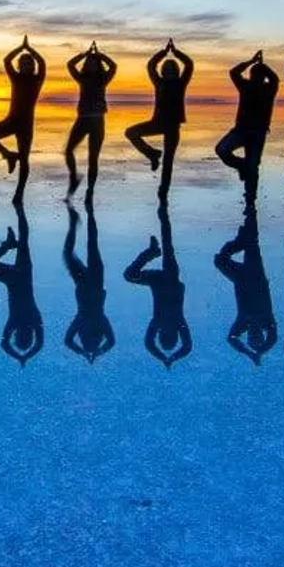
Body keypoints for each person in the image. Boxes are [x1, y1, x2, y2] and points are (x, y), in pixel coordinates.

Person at [123, 204, 192, 369]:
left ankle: (163, 221)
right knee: (129, 275)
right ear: (161, 335)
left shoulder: (178, 324)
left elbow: (187, 347)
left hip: (166, 280)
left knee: (169, 248)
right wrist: (164, 358)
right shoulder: (160, 323)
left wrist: (171, 357)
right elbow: (149, 344)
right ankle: (152, 249)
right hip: (159, 281)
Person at [125, 39, 194, 201]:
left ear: (176, 71)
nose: (169, 72)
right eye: (166, 69)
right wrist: (163, 53)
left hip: (173, 127)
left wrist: (175, 53)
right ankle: (152, 154)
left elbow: (189, 64)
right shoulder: (159, 83)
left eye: (172, 69)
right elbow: (151, 65)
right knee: (131, 132)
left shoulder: (181, 83)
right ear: (163, 71)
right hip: (157, 123)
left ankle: (163, 191)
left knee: (168, 161)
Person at [0, 36, 46, 204]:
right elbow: (7, 60)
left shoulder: (38, 79)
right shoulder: (15, 78)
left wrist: (30, 49)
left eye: (29, 64)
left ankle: (19, 193)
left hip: (26, 125)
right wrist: (20, 48)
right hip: (11, 121)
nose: (27, 66)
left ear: (33, 66)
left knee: (24, 159)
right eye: (23, 64)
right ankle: (8, 154)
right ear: (19, 67)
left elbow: (42, 63)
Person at [0, 203, 44, 367]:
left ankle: (19, 215)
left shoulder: (35, 322)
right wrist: (20, 356)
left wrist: (26, 355)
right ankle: (9, 241)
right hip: (15, 280)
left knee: (24, 241)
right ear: (18, 335)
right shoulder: (17, 323)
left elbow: (38, 344)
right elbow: (4, 344)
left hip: (21, 276)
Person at [215, 50, 279, 205]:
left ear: (263, 77)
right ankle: (241, 166)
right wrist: (252, 62)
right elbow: (234, 72)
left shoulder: (269, 89)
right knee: (222, 149)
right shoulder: (245, 86)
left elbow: (274, 78)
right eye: (254, 74)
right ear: (250, 75)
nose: (256, 77)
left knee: (253, 166)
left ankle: (250, 197)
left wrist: (262, 65)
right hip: (241, 130)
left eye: (259, 75)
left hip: (258, 133)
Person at [214, 206, 276, 366]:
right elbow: (273, 338)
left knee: (220, 260)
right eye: (258, 337)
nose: (254, 335)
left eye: (251, 337)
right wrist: (260, 351)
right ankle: (250, 214)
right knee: (252, 244)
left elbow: (231, 339)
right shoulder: (267, 322)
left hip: (240, 279)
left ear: (248, 335)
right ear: (262, 336)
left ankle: (240, 239)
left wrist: (250, 353)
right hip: (255, 276)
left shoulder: (243, 324)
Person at [62, 200, 115, 364]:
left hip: (83, 282)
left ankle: (74, 222)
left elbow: (68, 341)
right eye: (94, 344)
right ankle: (89, 213)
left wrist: (84, 352)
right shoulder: (100, 322)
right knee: (92, 244)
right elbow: (111, 342)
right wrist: (97, 352)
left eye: (87, 344)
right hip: (95, 279)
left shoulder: (82, 322)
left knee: (71, 252)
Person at [64, 41, 117, 201]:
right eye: (88, 63)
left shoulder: (103, 79)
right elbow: (70, 64)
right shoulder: (81, 78)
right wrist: (84, 55)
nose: (90, 65)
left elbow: (113, 66)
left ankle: (90, 190)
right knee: (68, 151)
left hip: (97, 122)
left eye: (94, 63)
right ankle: (74, 177)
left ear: (98, 65)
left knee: (93, 158)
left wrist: (99, 55)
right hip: (82, 120)